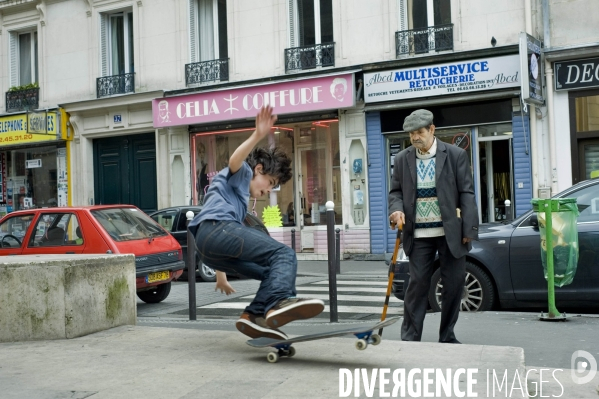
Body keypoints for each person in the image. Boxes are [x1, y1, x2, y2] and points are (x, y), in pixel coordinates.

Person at [188, 105, 325, 340]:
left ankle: (253, 316)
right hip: (215, 231)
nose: (267, 191)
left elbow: (222, 238)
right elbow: (234, 159)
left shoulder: (236, 199)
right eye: (269, 182)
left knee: (271, 270)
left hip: (208, 245)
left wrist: (220, 275)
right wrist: (257, 134)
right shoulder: (243, 174)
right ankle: (276, 304)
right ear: (258, 169)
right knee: (284, 255)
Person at [388, 109, 479, 344]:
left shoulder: (456, 155)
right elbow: (396, 192)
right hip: (418, 233)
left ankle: (447, 335)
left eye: (420, 132)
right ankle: (410, 337)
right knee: (417, 286)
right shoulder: (402, 159)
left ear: (432, 130)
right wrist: (396, 210)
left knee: (453, 285)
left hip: (450, 232)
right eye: (411, 134)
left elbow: (466, 193)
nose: (415, 138)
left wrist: (469, 230)